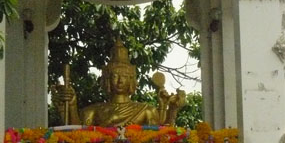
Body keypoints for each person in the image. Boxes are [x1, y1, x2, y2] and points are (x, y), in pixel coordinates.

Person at [52, 38, 185, 126]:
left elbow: (160, 139)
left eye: (125, 76)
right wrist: (71, 106)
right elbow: (77, 135)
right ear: (107, 80)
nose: (120, 81)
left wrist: (171, 109)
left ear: (132, 80)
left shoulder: (145, 110)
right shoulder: (94, 111)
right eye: (115, 76)